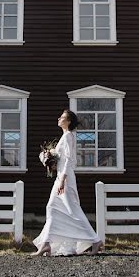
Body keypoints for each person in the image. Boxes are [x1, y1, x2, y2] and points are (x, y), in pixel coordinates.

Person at [30, 109, 104, 256]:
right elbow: (61, 159)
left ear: (68, 121)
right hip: (60, 177)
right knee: (51, 207)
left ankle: (95, 241)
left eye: (62, 117)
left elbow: (69, 160)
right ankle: (46, 244)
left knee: (73, 210)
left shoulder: (69, 136)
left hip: (66, 178)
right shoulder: (64, 136)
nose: (59, 119)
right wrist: (48, 158)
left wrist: (63, 179)